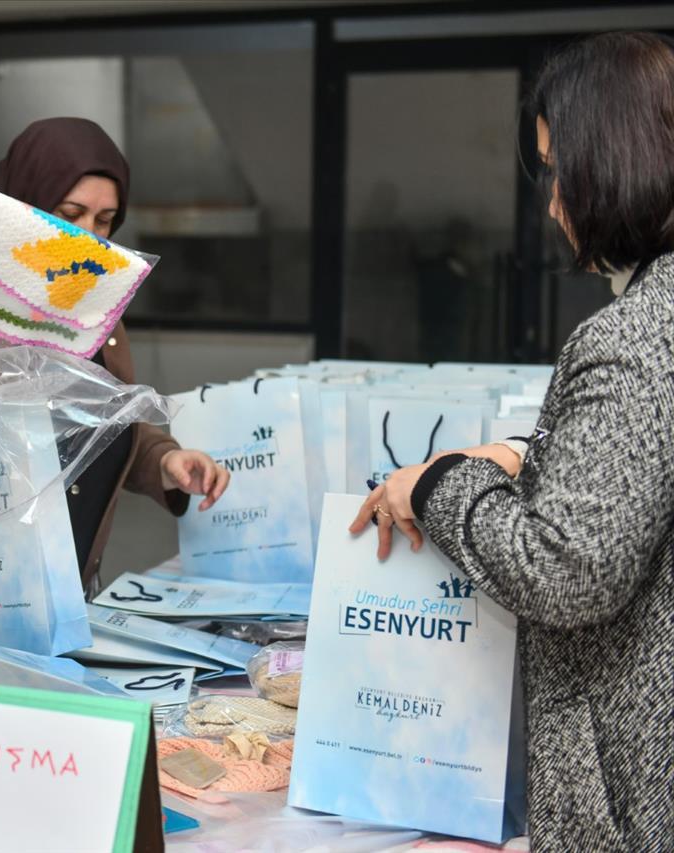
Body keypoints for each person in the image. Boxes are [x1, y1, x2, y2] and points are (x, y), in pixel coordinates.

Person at [351, 31, 673, 850]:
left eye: (560, 169)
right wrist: (526, 457)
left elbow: (569, 570)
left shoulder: (630, 338)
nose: (554, 201)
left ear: (614, 162)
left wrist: (436, 485)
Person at [0, 118, 231, 622]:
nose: (88, 236)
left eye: (105, 220)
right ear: (23, 202)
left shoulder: (95, 315)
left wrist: (163, 461)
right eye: (70, 215)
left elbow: (100, 422)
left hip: (64, 597)